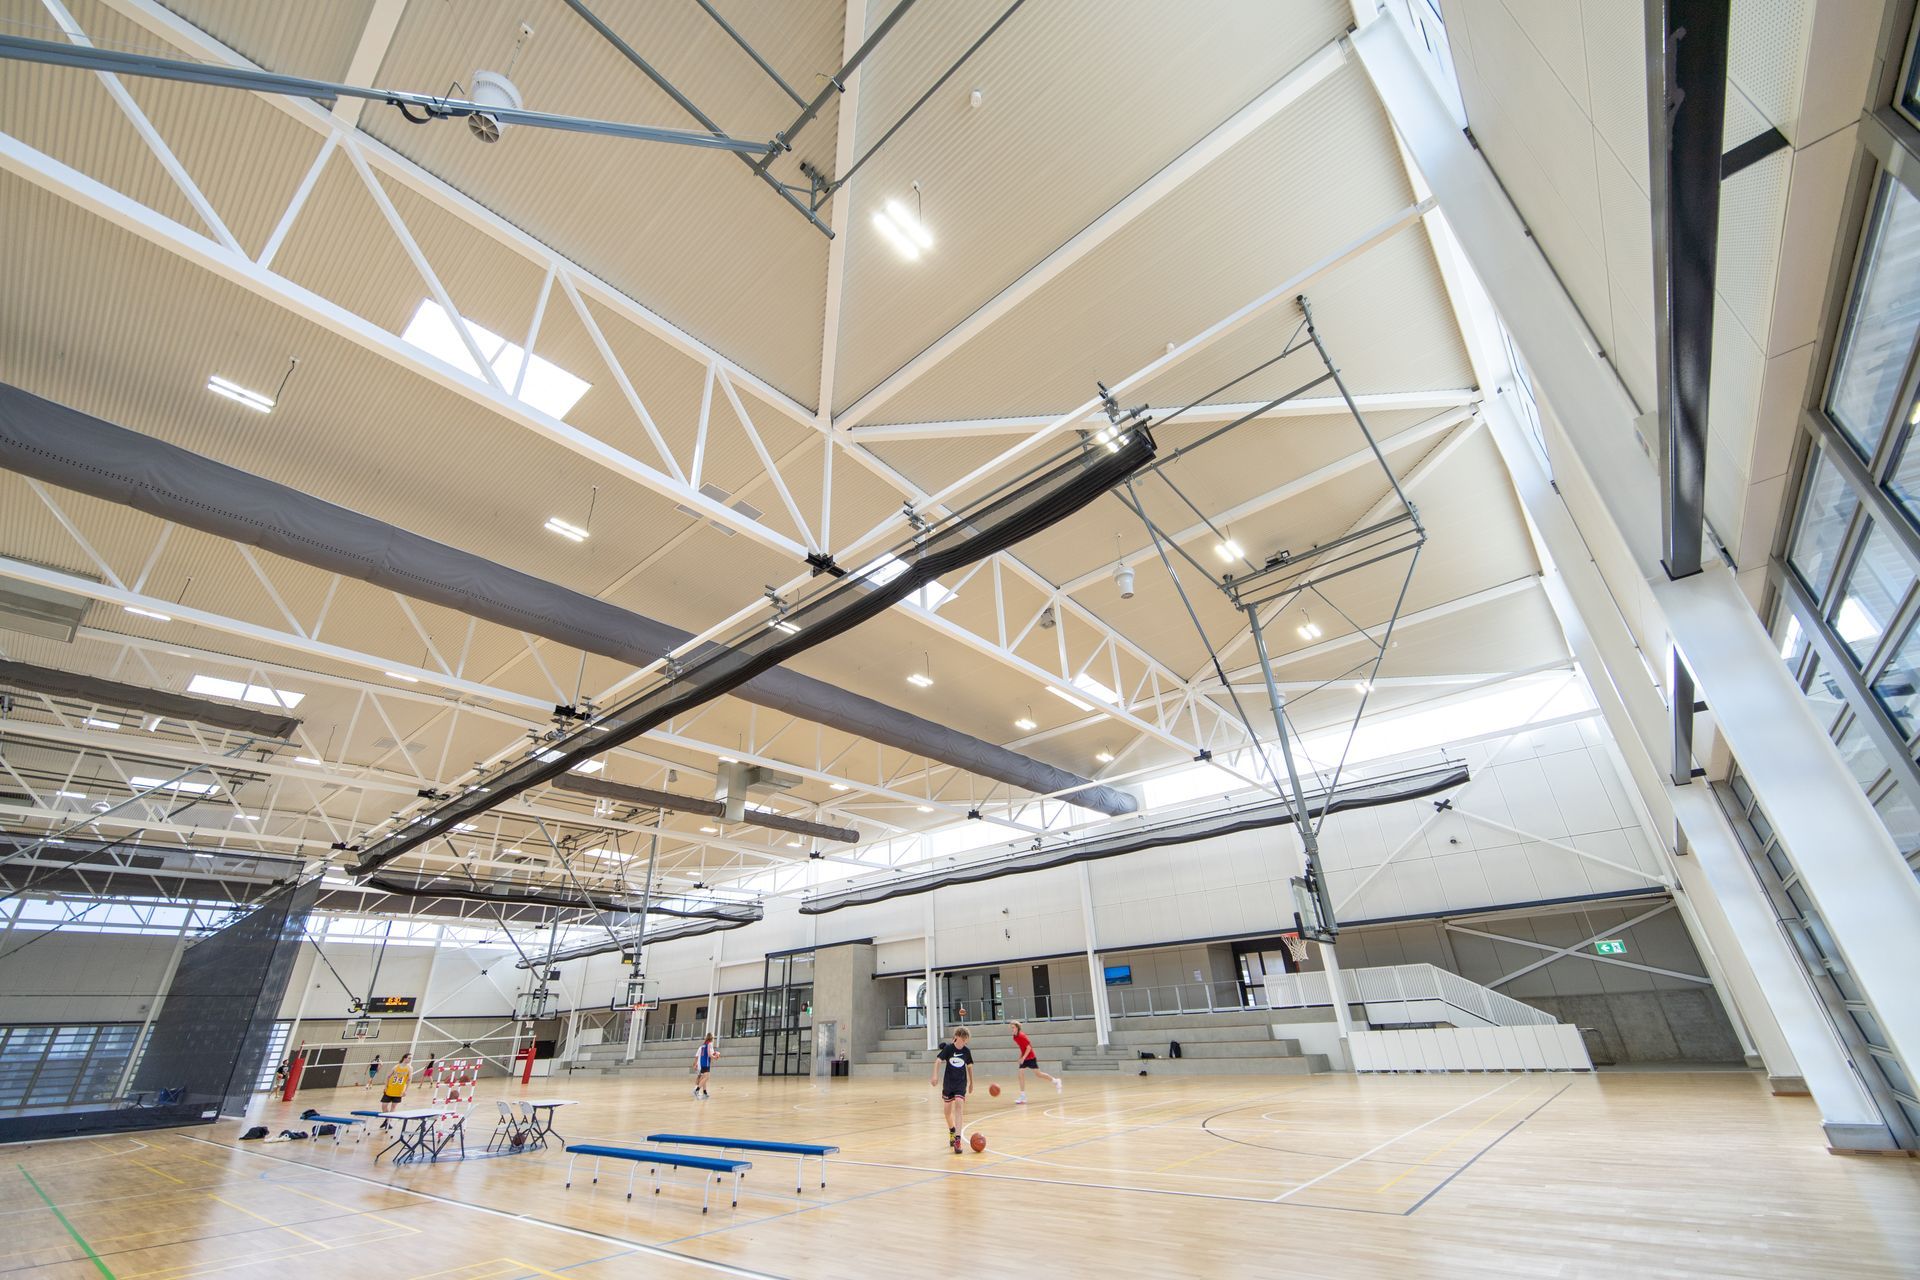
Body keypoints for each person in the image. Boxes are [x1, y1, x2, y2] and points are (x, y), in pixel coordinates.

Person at [930, 1027, 974, 1154]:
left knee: (959, 1106)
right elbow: (938, 1061)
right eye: (963, 1038)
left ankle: (958, 1140)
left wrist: (971, 1083)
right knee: (947, 1112)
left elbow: (970, 1067)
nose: (965, 1041)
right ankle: (952, 1130)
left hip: (961, 1083)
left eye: (966, 1039)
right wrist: (935, 1075)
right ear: (958, 1037)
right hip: (949, 1083)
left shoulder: (967, 1051)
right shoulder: (949, 1048)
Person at [1009, 1019, 1062, 1104]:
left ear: (1017, 1028)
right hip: (1024, 1057)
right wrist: (1020, 1057)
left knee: (1039, 1074)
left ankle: (1056, 1081)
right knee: (1020, 1074)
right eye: (1011, 1028)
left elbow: (1029, 1048)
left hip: (1030, 1057)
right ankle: (1023, 1096)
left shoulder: (1022, 1036)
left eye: (1013, 1027)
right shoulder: (1014, 1037)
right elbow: (1022, 1048)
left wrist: (1023, 1058)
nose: (1012, 1029)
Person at [377, 1054, 412, 1126]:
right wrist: (386, 1086)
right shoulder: (396, 1067)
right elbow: (388, 1076)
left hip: (399, 1090)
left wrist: (406, 1090)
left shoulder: (409, 1068)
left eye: (410, 1058)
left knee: (393, 1106)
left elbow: (409, 1080)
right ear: (404, 1058)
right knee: (384, 1105)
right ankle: (387, 1119)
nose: (410, 1059)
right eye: (409, 1058)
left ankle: (388, 1122)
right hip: (390, 1088)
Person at [693, 1033, 717, 1098]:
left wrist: (714, 1054)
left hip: (702, 1062)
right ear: (711, 1038)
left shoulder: (703, 1045)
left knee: (704, 1078)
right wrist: (714, 1057)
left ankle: (704, 1092)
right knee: (706, 1077)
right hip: (706, 1063)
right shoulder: (709, 1044)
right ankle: (697, 1090)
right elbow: (709, 1054)